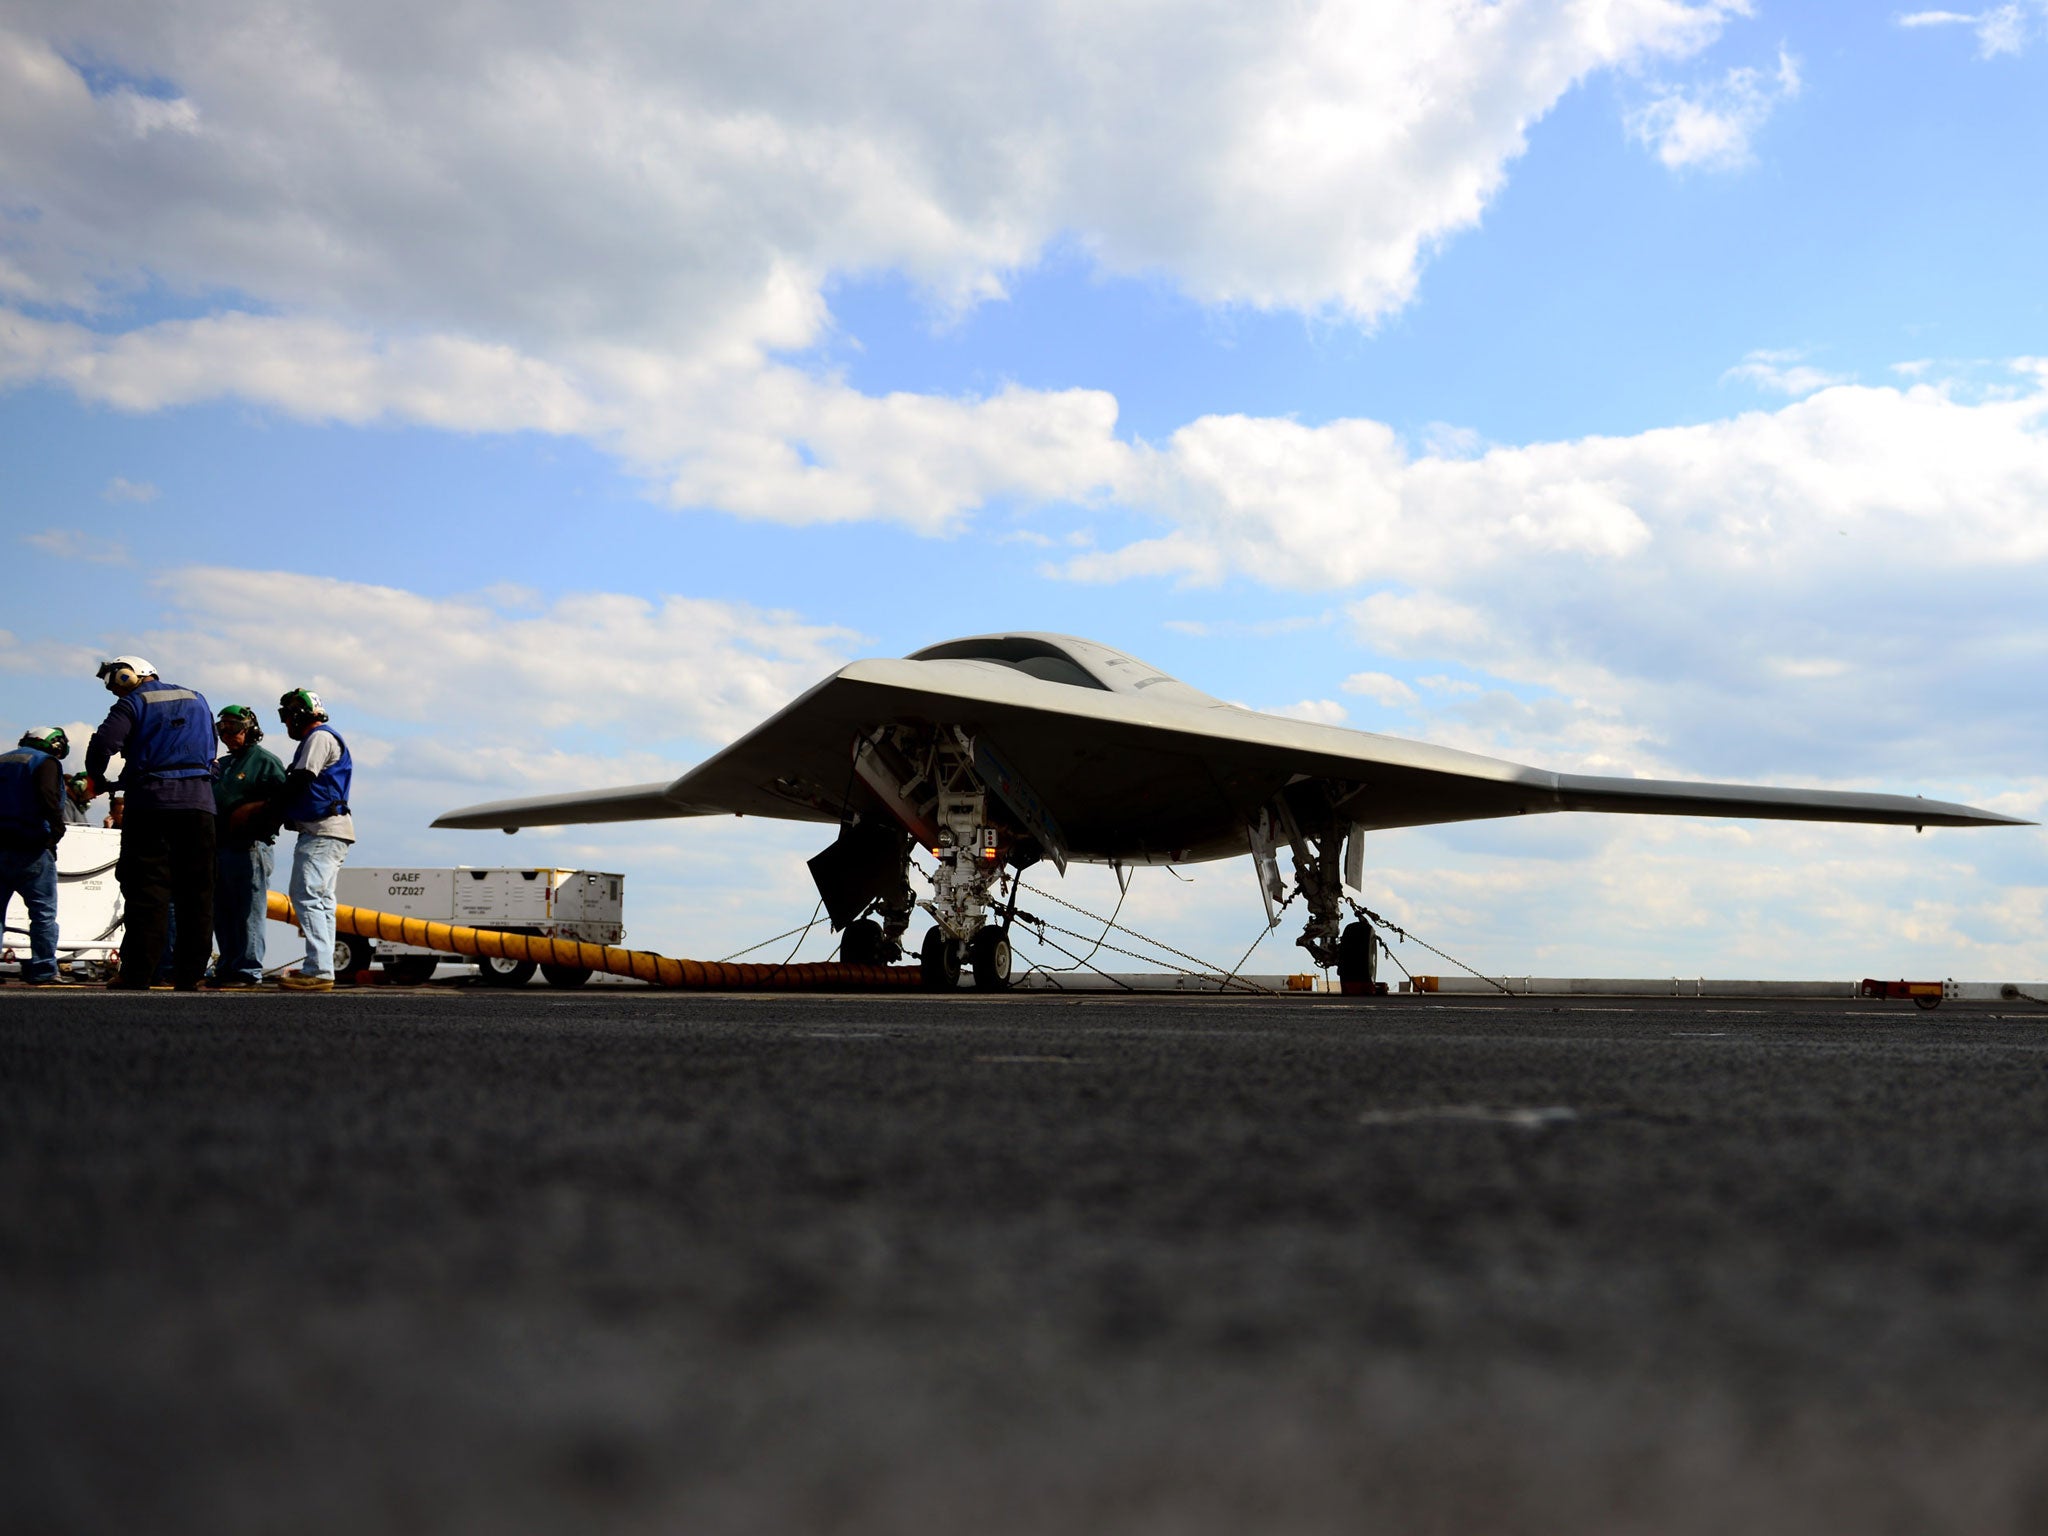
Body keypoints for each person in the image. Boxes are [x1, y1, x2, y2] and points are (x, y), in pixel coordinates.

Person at [81, 657, 216, 991]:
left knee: (146, 892)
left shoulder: (133, 702)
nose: (115, 692)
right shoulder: (198, 698)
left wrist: (97, 777)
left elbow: (104, 743)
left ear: (130, 675)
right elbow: (211, 748)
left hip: (151, 804)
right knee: (196, 894)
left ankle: (138, 974)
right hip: (199, 806)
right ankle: (191, 975)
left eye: (115, 683)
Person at [273, 689, 354, 992]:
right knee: (321, 902)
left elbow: (302, 777)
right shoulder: (323, 737)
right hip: (332, 831)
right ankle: (321, 968)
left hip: (322, 831)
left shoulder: (318, 738)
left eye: (287, 716)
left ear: (300, 715)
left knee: (306, 895)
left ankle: (319, 970)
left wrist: (270, 807)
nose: (286, 724)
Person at [210, 706, 286, 989]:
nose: (227, 734)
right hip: (222, 847)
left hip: (251, 847)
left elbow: (284, 801)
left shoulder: (265, 762)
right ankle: (228, 965)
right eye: (222, 728)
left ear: (250, 729)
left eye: (233, 727)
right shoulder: (224, 764)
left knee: (249, 910)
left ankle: (247, 969)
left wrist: (254, 809)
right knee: (223, 910)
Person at [1, 728, 73, 986]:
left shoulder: (4, 759)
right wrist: (57, 829)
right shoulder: (45, 762)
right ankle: (43, 969)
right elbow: (47, 796)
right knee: (42, 913)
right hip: (32, 848)